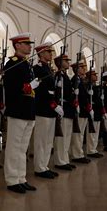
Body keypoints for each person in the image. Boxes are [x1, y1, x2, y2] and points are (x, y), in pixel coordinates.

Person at [3, 33, 37, 194]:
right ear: (17, 46)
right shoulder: (12, 63)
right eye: (26, 43)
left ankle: (21, 177)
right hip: (17, 109)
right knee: (14, 146)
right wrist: (25, 88)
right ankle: (11, 179)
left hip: (28, 109)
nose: (30, 46)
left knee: (23, 147)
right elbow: (10, 88)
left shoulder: (26, 64)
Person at [33, 42, 61, 179]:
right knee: (41, 140)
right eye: (48, 52)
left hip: (50, 109)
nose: (51, 54)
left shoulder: (49, 69)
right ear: (41, 53)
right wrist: (52, 104)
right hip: (43, 108)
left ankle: (45, 165)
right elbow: (41, 90)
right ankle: (39, 167)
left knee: (48, 140)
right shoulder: (37, 69)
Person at [53, 54, 77, 170]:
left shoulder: (65, 76)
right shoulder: (59, 75)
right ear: (60, 62)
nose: (68, 62)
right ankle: (59, 161)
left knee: (67, 136)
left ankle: (65, 159)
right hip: (63, 107)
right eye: (66, 60)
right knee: (61, 137)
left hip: (68, 108)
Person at [70, 60, 92, 164]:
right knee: (78, 134)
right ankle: (77, 154)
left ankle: (79, 153)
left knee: (81, 134)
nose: (84, 69)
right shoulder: (75, 79)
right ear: (77, 69)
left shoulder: (80, 80)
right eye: (82, 67)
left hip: (83, 110)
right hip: (79, 110)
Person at [85, 70, 104, 158]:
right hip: (92, 110)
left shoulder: (95, 86)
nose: (96, 76)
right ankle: (90, 150)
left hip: (97, 111)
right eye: (94, 75)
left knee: (96, 131)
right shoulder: (88, 86)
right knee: (91, 132)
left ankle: (94, 148)